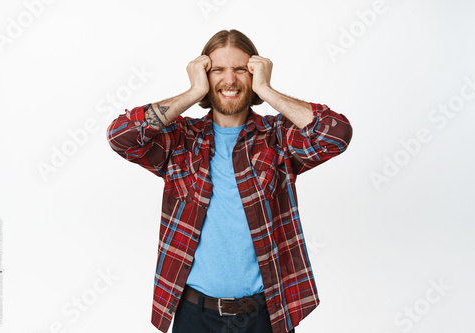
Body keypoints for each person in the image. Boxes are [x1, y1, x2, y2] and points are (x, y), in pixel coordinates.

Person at [107, 29, 352, 333]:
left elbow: (336, 135)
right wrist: (193, 93)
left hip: (263, 314)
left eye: (241, 69)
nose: (230, 80)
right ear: (204, 75)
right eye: (218, 70)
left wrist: (267, 90)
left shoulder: (278, 138)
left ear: (254, 73)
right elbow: (121, 137)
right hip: (193, 313)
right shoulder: (181, 139)